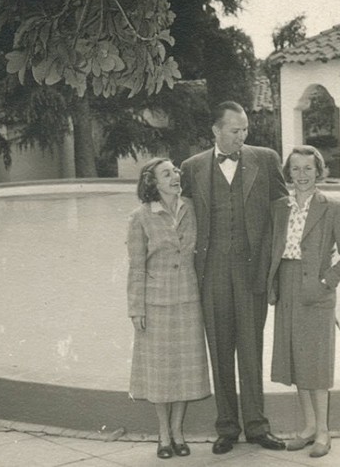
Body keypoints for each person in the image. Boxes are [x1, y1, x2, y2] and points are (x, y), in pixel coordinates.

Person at [180, 101, 288, 454]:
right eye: (235, 130)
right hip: (211, 274)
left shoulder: (266, 159)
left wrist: (278, 266)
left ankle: (257, 426)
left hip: (252, 271)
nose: (242, 136)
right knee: (220, 350)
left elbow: (285, 213)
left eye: (245, 130)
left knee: (252, 349)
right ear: (216, 130)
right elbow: (180, 219)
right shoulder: (192, 167)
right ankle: (226, 427)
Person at [266, 145, 340, 458]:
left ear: (319, 172)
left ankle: (323, 431)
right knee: (296, 360)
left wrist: (328, 281)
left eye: (308, 169)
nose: (302, 175)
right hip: (287, 289)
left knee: (316, 365)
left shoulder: (333, 208)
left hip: (315, 290)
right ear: (288, 173)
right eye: (296, 169)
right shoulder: (280, 206)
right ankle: (307, 428)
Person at [126, 157, 211, 460]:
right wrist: (137, 309)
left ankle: (178, 431)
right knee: (161, 373)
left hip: (189, 300)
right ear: (153, 183)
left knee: (185, 370)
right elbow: (136, 267)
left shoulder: (190, 207)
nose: (175, 175)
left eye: (175, 171)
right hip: (156, 303)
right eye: (167, 173)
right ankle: (163, 434)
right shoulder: (141, 217)